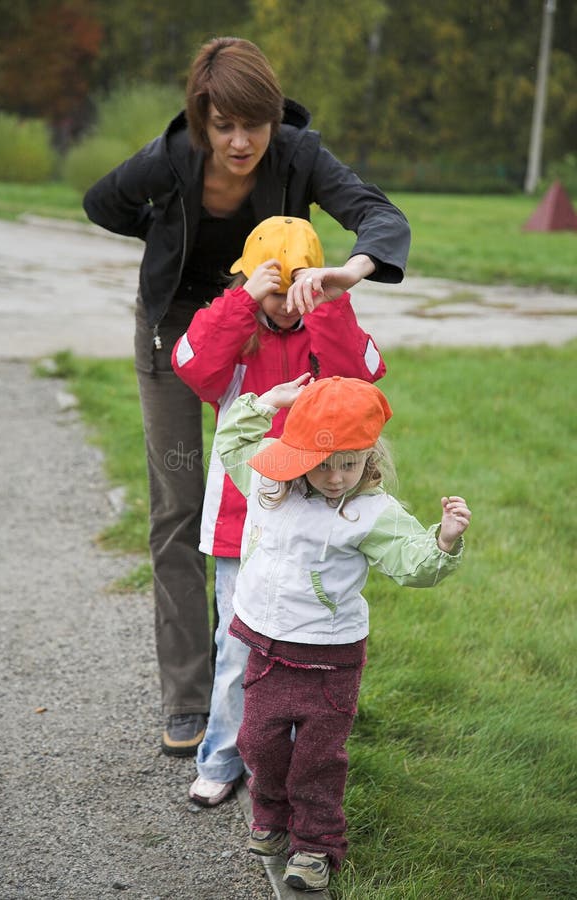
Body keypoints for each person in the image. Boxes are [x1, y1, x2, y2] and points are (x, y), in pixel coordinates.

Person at [82, 35, 411, 757]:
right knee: (178, 504)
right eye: (223, 125)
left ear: (273, 118)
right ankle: (188, 699)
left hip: (269, 334)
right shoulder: (170, 156)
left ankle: (268, 685)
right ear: (201, 118)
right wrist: (162, 231)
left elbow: (380, 216)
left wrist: (350, 272)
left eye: (252, 125)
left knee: (276, 498)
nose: (240, 141)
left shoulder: (299, 152)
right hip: (178, 333)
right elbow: (101, 200)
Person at [215, 374, 471, 892]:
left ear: (370, 457)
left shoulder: (370, 513)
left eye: (350, 463)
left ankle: (316, 845)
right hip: (265, 645)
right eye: (323, 463)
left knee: (317, 759)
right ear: (297, 453)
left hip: (331, 659)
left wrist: (443, 540)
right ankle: (270, 815)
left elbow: (410, 563)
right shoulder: (269, 484)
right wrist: (266, 402)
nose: (335, 477)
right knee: (258, 742)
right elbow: (233, 442)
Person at [172, 215, 387, 806]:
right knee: (238, 648)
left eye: (297, 289)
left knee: (305, 651)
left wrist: (328, 304)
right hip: (243, 522)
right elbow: (190, 363)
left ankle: (285, 764)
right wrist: (243, 302)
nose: (286, 306)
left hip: (314, 527)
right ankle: (220, 757)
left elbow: (363, 376)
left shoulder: (323, 338)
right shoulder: (235, 335)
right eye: (277, 290)